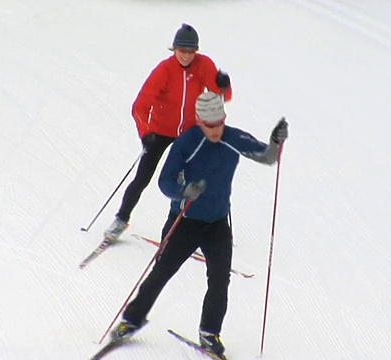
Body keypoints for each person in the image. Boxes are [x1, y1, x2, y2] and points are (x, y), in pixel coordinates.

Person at [108, 91, 289, 357]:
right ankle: (131, 320)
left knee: (219, 280)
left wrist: (275, 142)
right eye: (209, 124)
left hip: (217, 224)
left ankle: (209, 333)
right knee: (161, 272)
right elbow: (165, 181)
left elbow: (267, 157)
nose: (215, 130)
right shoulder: (185, 143)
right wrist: (184, 190)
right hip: (185, 221)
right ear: (199, 120)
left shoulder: (233, 137)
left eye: (219, 124)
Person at [103, 23, 233, 242]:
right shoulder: (164, 70)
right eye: (182, 50)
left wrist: (223, 85)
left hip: (190, 131)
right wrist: (146, 134)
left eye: (191, 51)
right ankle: (120, 219)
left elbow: (223, 96)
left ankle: (199, 229)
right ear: (174, 49)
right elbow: (140, 106)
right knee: (143, 177)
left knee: (199, 179)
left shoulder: (204, 65)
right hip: (159, 131)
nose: (186, 56)